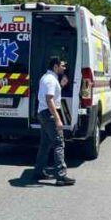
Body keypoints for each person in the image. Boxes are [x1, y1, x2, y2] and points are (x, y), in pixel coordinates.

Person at [34, 57, 75, 186]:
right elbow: (49, 100)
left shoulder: (47, 78)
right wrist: (57, 119)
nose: (64, 68)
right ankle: (61, 176)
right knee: (59, 143)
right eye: (62, 65)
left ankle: (39, 171)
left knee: (45, 144)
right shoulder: (51, 80)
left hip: (43, 113)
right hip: (49, 114)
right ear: (56, 66)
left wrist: (61, 85)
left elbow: (52, 96)